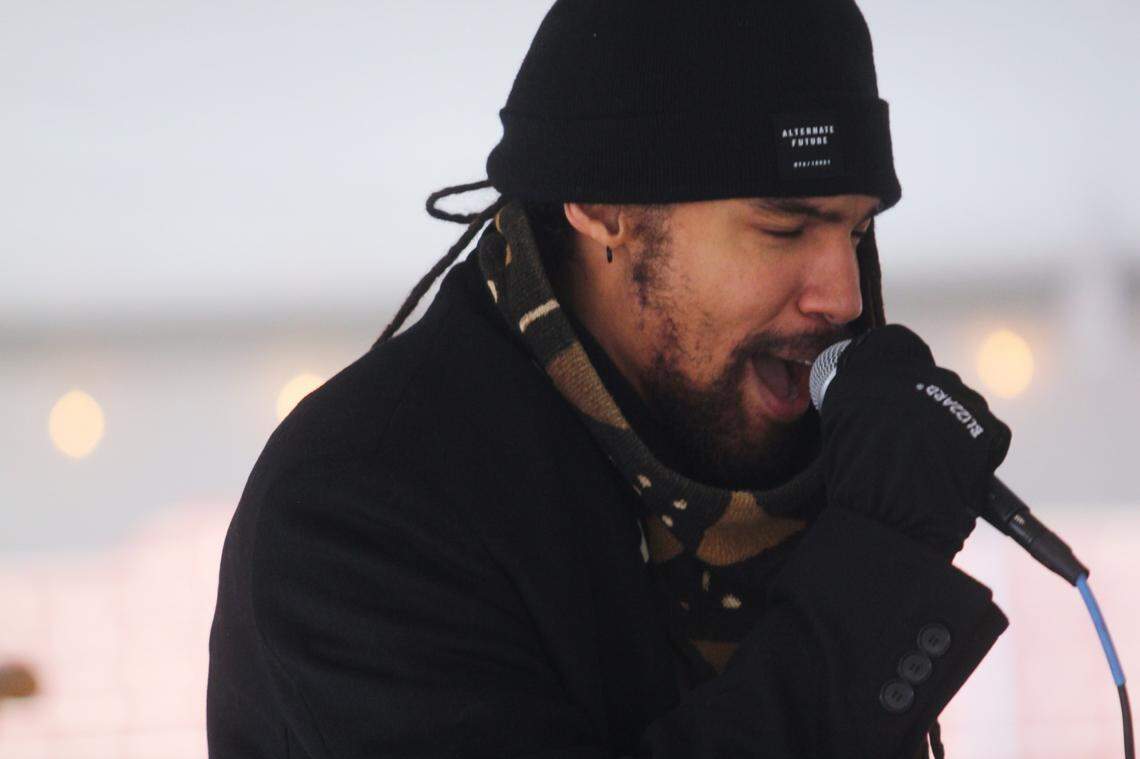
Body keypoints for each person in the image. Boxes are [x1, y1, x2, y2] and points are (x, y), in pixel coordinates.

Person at [207, 2, 1014, 757]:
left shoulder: (801, 469)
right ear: (603, 207)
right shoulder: (360, 504)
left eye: (859, 228)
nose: (841, 294)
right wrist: (877, 566)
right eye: (784, 226)